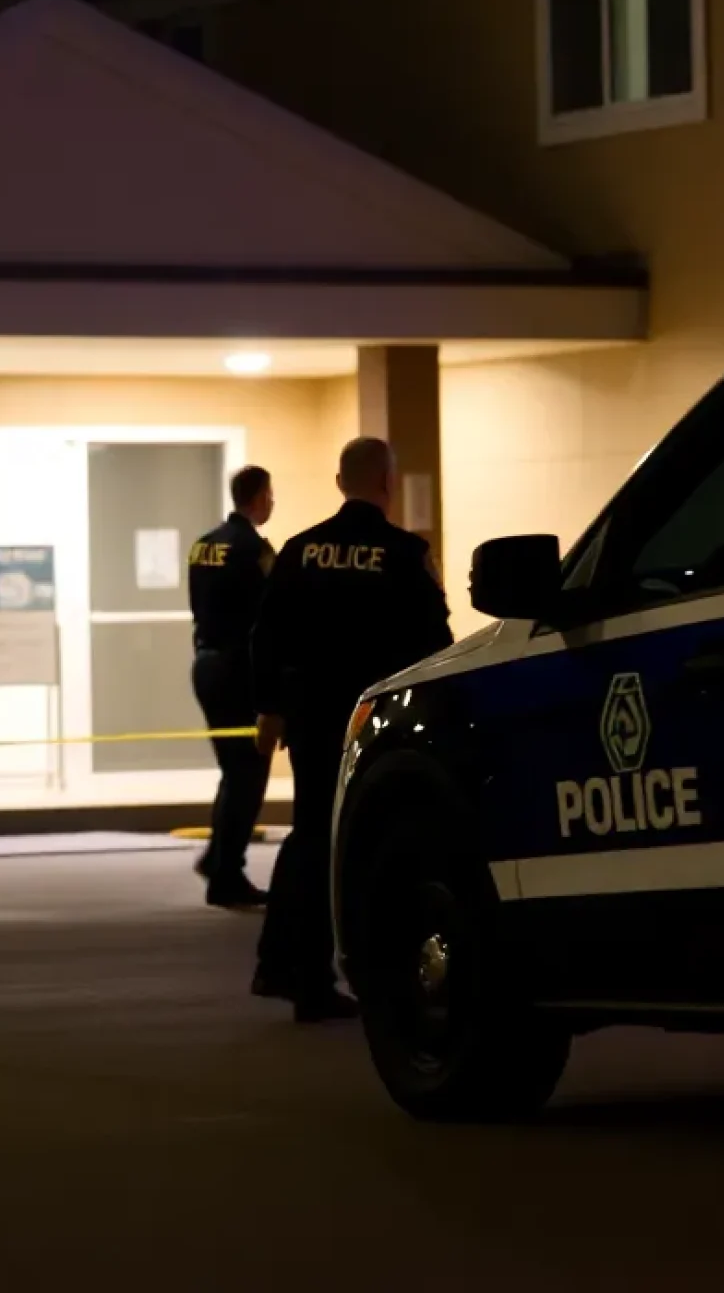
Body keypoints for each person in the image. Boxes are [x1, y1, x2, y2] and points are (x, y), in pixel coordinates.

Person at [251, 436, 453, 1022]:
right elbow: (433, 645)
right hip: (378, 723)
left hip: (312, 720)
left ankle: (288, 967)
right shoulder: (404, 554)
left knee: (311, 834)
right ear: (389, 484)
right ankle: (361, 973)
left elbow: (266, 636)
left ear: (340, 484)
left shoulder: (299, 550)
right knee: (369, 842)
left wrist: (271, 709)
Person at [188, 464, 276, 909]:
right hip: (240, 669)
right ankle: (227, 874)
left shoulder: (203, 546)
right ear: (260, 497)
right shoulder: (253, 549)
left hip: (206, 664)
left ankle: (217, 857)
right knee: (249, 773)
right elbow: (273, 613)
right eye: (271, 495)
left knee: (233, 768)